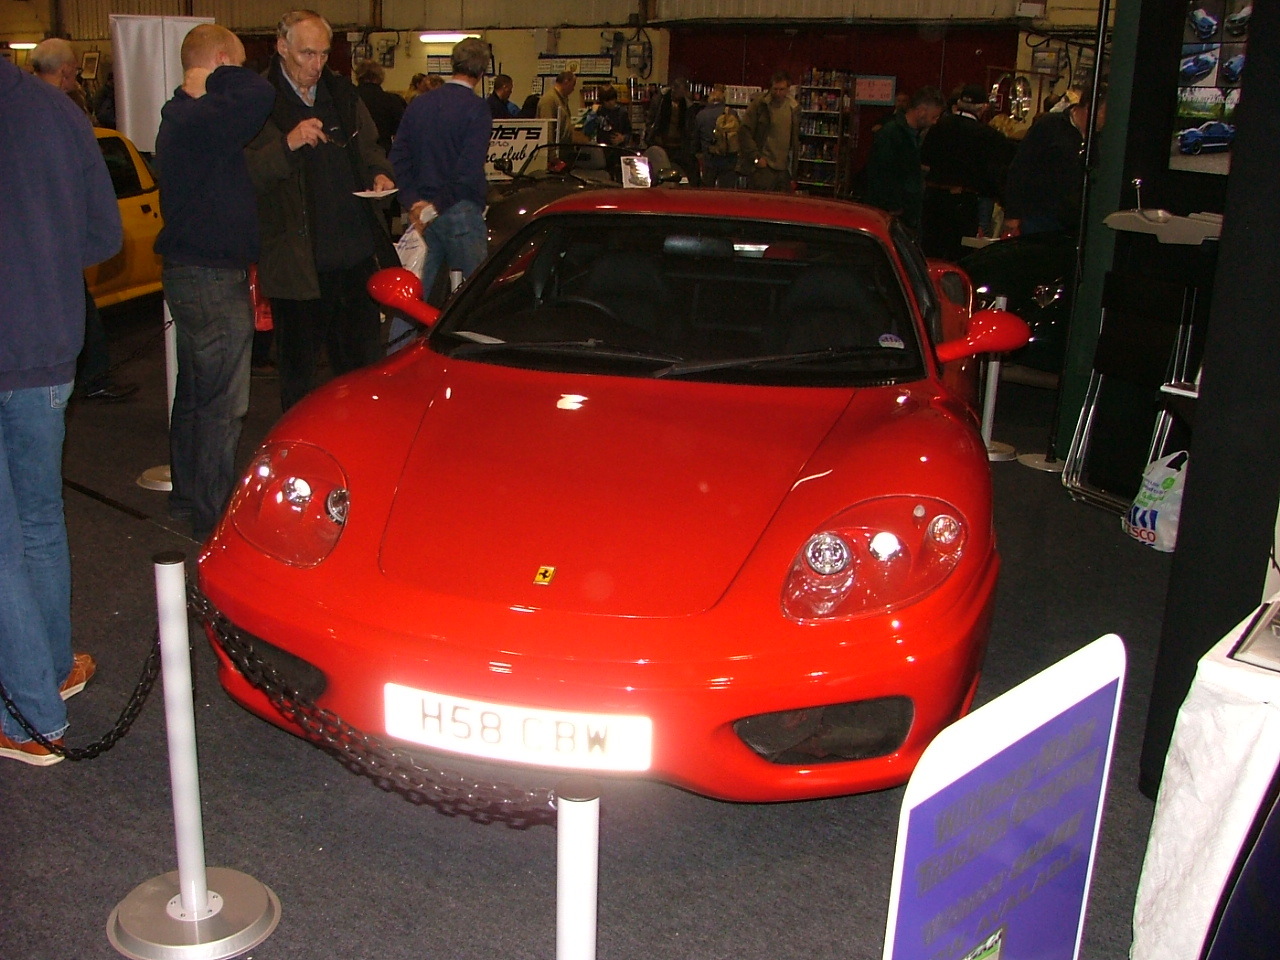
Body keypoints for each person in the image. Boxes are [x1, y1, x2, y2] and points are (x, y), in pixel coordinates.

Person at [0, 53, 121, 765]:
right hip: (46, 347)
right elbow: (103, 237)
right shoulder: (57, 111)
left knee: (4, 544)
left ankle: (29, 719)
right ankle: (49, 671)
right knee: (39, 521)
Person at [154, 24, 275, 543]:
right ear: (222, 61)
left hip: (191, 273)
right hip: (209, 277)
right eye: (235, 64)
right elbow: (260, 93)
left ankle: (190, 495)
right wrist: (227, 75)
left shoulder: (186, 119)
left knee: (196, 394)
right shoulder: (200, 118)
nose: (240, 74)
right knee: (224, 404)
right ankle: (214, 515)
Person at [245, 9, 396, 412]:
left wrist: (380, 175)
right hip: (298, 267)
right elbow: (245, 175)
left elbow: (371, 150)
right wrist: (287, 145)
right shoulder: (258, 102)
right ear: (282, 47)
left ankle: (362, 440)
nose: (316, 65)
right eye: (307, 54)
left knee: (363, 374)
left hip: (355, 258)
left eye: (324, 54)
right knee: (299, 381)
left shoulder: (343, 95)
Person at [31, 38, 137, 403]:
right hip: (56, 231)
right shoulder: (65, 113)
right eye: (75, 71)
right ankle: (93, 377)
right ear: (65, 71)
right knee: (79, 307)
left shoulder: (20, 110)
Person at [388, 36, 492, 348]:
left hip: (420, 213)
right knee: (477, 296)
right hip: (458, 210)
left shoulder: (420, 104)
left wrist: (414, 204)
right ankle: (474, 360)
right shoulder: (477, 109)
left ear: (451, 63)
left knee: (413, 296)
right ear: (483, 71)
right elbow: (467, 170)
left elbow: (398, 157)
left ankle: (396, 355)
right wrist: (436, 206)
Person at [919, 84, 1013, 259]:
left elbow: (924, 159)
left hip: (933, 200)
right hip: (963, 203)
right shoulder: (988, 136)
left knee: (930, 252)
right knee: (959, 254)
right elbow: (993, 174)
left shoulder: (938, 127)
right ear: (983, 107)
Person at [1002, 93, 1104, 237]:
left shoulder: (1101, 139)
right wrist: (1013, 214)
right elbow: (1021, 167)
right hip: (1040, 215)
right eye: (1105, 112)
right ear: (1090, 107)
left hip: (1075, 220)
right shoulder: (1050, 125)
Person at [862, 86, 945, 233]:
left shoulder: (911, 135)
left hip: (904, 212)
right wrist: (894, 206)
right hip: (892, 214)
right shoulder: (892, 134)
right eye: (934, 117)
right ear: (921, 111)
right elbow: (881, 172)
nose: (935, 122)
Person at [739, 72, 800, 192]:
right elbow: (744, 131)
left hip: (784, 168)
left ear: (788, 89)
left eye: (781, 89)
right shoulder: (760, 105)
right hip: (764, 168)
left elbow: (794, 139)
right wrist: (756, 158)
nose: (778, 93)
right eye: (775, 89)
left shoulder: (793, 108)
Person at [647, 77, 697, 184]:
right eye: (681, 92)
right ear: (674, 89)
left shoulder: (687, 105)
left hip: (679, 144)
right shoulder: (660, 101)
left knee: (690, 168)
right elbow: (651, 119)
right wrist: (651, 134)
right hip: (661, 142)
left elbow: (689, 127)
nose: (682, 95)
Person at [354, 60, 405, 155]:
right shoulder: (392, 100)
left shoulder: (348, 98)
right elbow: (402, 131)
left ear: (358, 76)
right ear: (380, 77)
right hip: (383, 153)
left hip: (354, 153)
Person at [692, 84, 739, 188]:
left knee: (707, 189)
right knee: (726, 191)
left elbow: (695, 138)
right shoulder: (732, 113)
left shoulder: (701, 115)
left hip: (709, 158)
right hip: (729, 158)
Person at [538, 71, 578, 160]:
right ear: (566, 82)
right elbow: (547, 128)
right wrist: (552, 155)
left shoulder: (562, 99)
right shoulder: (549, 100)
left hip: (563, 150)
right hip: (555, 153)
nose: (573, 89)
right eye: (573, 85)